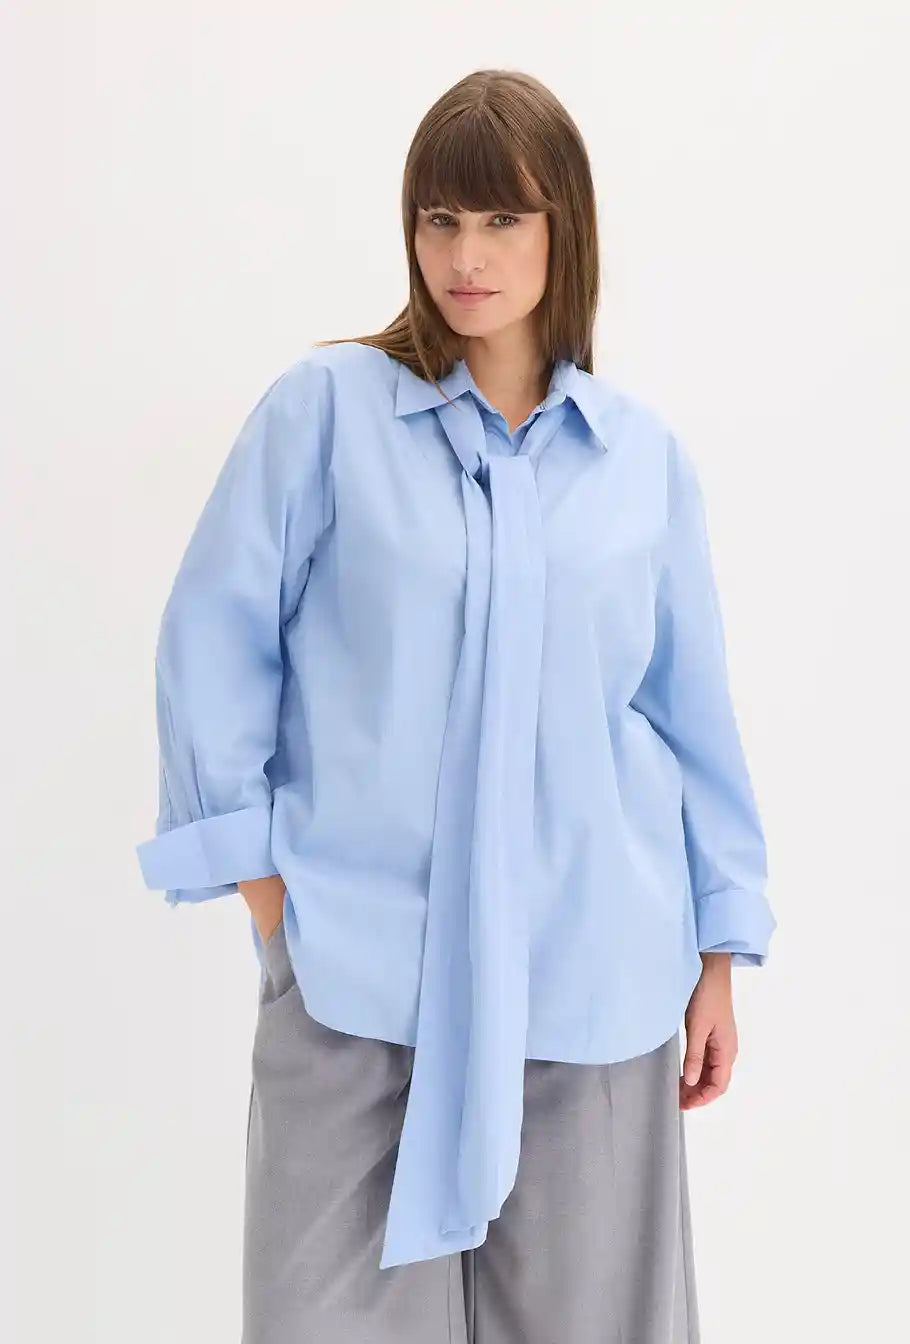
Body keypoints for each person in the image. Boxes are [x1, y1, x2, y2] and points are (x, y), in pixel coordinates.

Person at [136, 67, 776, 1344]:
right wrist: (268, 889)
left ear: (562, 229)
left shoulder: (639, 460)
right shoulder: (326, 414)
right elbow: (211, 640)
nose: (465, 258)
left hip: (592, 977)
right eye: (440, 220)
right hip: (360, 977)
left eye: (500, 220)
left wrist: (717, 951)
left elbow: (689, 715)